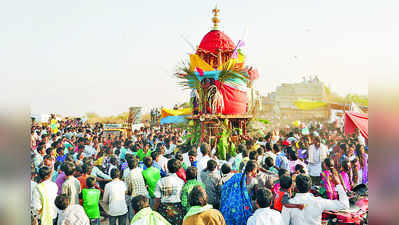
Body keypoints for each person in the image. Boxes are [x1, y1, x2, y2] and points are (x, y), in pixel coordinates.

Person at [281, 174, 349, 225]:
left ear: (296, 188)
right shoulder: (319, 201)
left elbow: (284, 223)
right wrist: (338, 184)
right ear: (310, 188)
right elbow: (344, 205)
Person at [220, 160, 258, 225]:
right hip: (243, 210)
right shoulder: (254, 181)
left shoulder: (236, 176)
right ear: (253, 170)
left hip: (231, 207)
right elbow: (256, 195)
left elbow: (225, 187)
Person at [153, 159, 185, 225]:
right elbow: (182, 197)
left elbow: (157, 199)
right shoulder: (181, 182)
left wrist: (155, 210)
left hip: (164, 209)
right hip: (177, 209)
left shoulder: (161, 181)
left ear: (167, 167)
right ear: (178, 169)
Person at [125, 157, 148, 221]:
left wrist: (127, 192)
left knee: (133, 215)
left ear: (129, 166)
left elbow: (129, 189)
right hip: (144, 194)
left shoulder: (129, 175)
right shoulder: (141, 170)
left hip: (135, 197)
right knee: (144, 214)